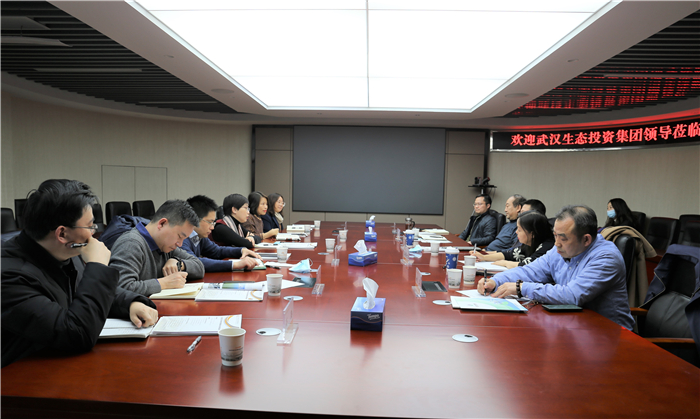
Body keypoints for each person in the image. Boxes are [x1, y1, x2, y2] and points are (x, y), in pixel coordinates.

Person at [1, 179, 158, 367]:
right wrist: (98, 266)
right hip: (21, 375)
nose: (93, 232)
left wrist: (130, 303)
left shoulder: (65, 250)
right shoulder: (8, 277)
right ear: (62, 234)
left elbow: (88, 291)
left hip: (63, 365)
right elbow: (76, 334)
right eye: (90, 226)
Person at [478, 205, 634, 330]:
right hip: (573, 325)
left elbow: (573, 296)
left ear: (586, 240)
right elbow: (530, 271)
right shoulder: (559, 249)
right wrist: (496, 281)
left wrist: (522, 288)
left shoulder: (606, 257)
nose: (557, 243)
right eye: (555, 235)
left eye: (563, 238)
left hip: (609, 332)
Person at [109, 200, 205, 297]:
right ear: (162, 223)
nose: (180, 244)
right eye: (179, 236)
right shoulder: (131, 243)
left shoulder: (166, 246)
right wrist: (164, 283)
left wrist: (179, 262)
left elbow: (199, 266)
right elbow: (120, 288)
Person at [182, 195, 261, 272]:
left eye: (213, 222)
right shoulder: (181, 239)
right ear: (194, 220)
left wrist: (241, 250)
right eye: (210, 222)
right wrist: (235, 264)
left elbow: (217, 251)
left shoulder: (199, 236)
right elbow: (195, 263)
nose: (212, 227)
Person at [473, 211, 554, 268]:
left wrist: (506, 263)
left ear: (532, 234)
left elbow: (529, 266)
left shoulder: (547, 247)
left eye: (519, 229)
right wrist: (483, 257)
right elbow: (509, 254)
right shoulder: (531, 243)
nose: (516, 232)